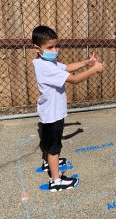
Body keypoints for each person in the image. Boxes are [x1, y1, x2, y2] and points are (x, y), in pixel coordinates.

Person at [32, 25, 104, 192]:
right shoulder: (46, 67)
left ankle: (47, 162)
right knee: (54, 146)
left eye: (56, 46)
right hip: (53, 114)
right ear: (37, 48)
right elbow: (74, 79)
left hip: (49, 112)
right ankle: (56, 180)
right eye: (50, 47)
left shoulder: (43, 62)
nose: (55, 50)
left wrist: (87, 62)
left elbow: (66, 67)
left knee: (48, 141)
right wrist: (94, 69)